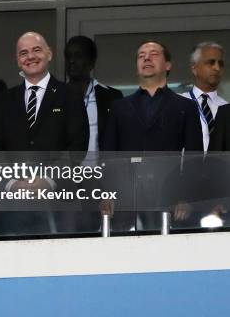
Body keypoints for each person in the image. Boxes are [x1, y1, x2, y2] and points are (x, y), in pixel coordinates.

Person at [0, 31, 89, 236]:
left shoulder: (69, 95)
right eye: (23, 53)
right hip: (13, 203)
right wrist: (12, 183)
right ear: (18, 60)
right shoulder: (4, 100)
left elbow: (77, 146)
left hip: (60, 199)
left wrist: (48, 179)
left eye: (36, 50)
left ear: (49, 54)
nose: (30, 56)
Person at [102, 41, 203, 229]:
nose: (146, 58)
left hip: (168, 199)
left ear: (168, 65)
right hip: (126, 200)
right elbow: (109, 155)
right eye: (141, 55)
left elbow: (194, 156)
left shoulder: (185, 107)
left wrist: (186, 197)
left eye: (154, 54)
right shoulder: (119, 107)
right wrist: (107, 194)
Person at [64, 36, 123, 151]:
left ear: (91, 61)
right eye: (68, 56)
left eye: (78, 56)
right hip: (66, 168)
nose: (71, 61)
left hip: (103, 168)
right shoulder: (56, 96)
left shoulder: (112, 97)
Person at [180, 41, 226, 151]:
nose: (217, 68)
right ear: (194, 68)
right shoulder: (178, 104)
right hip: (185, 166)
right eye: (211, 62)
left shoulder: (226, 108)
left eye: (220, 63)